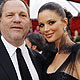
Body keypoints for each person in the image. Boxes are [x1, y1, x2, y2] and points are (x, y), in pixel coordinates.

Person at [0, 0, 47, 80]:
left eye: (23, 15)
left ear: (29, 22)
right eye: (10, 15)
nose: (17, 20)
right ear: (0, 21)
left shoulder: (39, 59)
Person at [38, 2, 80, 80]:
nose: (46, 29)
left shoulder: (78, 52)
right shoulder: (47, 56)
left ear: (65, 22)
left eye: (51, 23)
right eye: (41, 25)